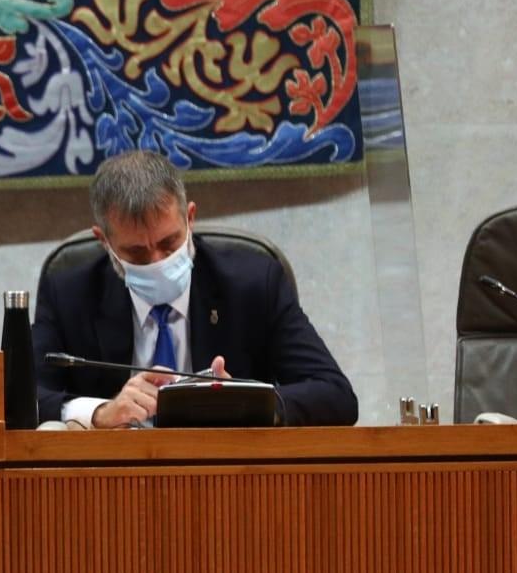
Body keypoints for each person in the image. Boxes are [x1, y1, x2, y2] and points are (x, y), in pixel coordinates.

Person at [33, 150, 358, 428]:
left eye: (168, 243)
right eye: (136, 252)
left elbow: (335, 395)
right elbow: (20, 399)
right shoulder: (69, 292)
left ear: (190, 219)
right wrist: (100, 412)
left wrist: (251, 403)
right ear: (103, 241)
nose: (156, 260)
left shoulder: (253, 282)